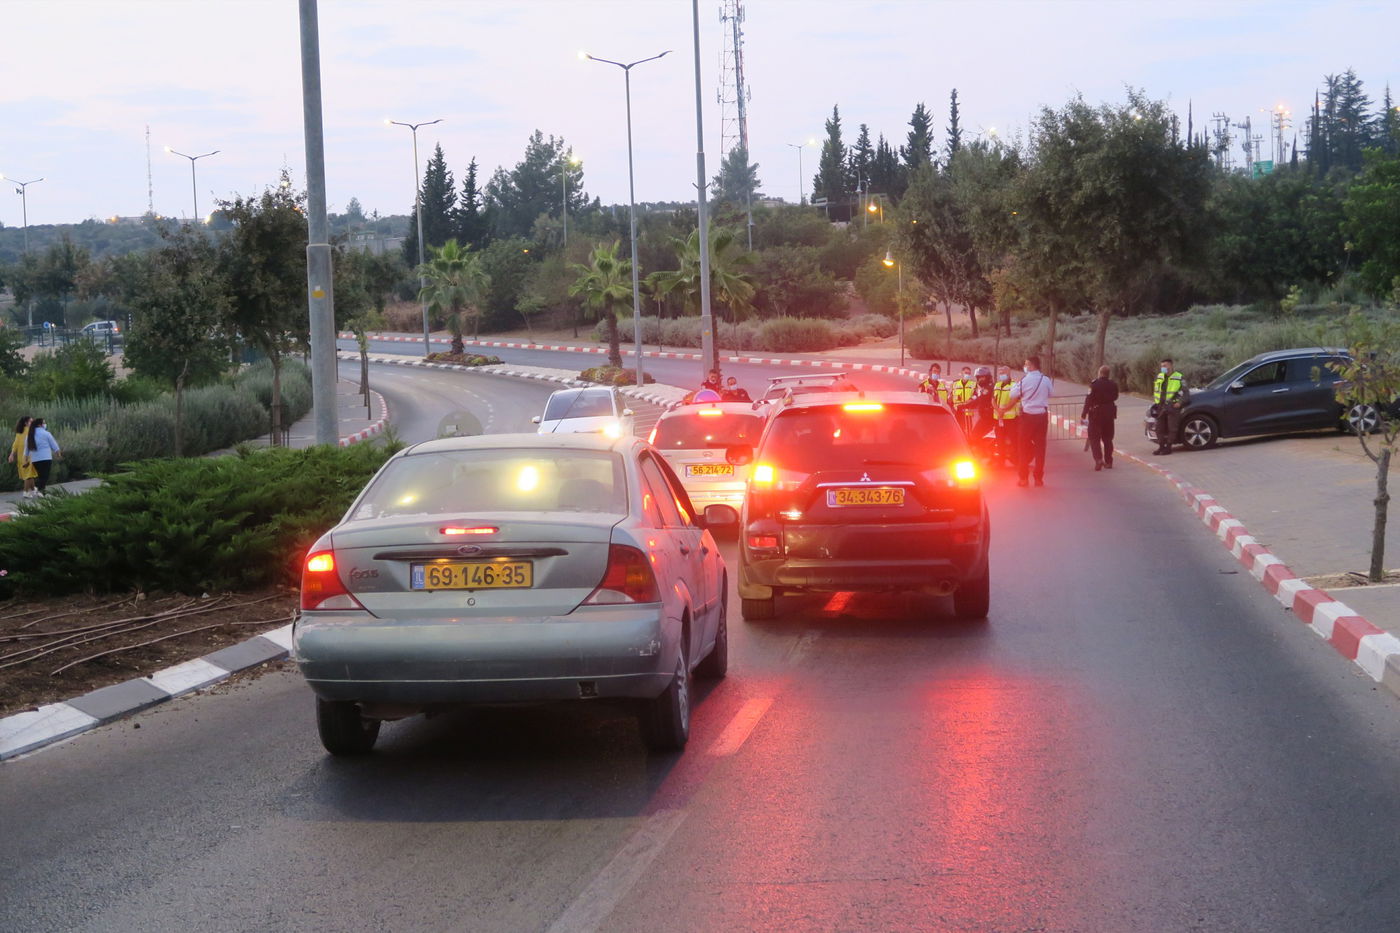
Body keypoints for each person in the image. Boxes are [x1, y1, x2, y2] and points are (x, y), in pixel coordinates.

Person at [1000, 355, 1052, 487]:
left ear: (1032, 365)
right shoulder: (1046, 380)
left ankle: (1023, 479)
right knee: (1041, 449)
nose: (1025, 367)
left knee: (1023, 447)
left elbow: (1012, 394)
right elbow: (1051, 393)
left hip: (1027, 417)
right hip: (1042, 416)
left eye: (1026, 364)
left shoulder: (1025, 380)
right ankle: (1039, 479)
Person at [1081, 365, 1120, 471]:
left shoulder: (1094, 384)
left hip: (1096, 414)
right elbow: (1116, 396)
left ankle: (1098, 459)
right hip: (1109, 414)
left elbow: (1088, 399)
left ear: (1099, 373)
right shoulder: (1113, 384)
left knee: (1094, 438)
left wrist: (1084, 413)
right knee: (1108, 439)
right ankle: (1109, 461)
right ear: (1108, 374)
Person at [955, 367, 997, 457]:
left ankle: (984, 455)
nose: (979, 380)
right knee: (977, 435)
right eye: (978, 378)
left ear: (987, 377)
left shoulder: (988, 388)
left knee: (974, 435)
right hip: (986, 416)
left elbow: (979, 400)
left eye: (982, 377)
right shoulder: (986, 387)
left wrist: (964, 406)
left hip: (988, 418)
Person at [1152, 358, 1188, 456]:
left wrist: (1180, 403)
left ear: (1171, 366)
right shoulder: (1159, 377)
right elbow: (1156, 391)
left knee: (1172, 428)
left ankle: (1168, 447)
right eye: (1161, 366)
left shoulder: (1179, 377)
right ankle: (1161, 447)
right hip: (1160, 406)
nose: (1163, 368)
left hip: (1172, 406)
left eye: (1165, 366)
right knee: (1159, 428)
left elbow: (1186, 393)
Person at [992, 366, 1020, 469]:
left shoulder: (1014, 385)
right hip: (998, 418)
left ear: (1008, 373)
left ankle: (1018, 462)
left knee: (1014, 441)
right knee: (1000, 442)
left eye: (1003, 372)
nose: (1001, 375)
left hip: (1011, 419)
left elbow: (1014, 400)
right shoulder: (997, 385)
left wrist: (1003, 410)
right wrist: (998, 410)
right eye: (1000, 373)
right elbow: (993, 400)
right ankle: (1001, 462)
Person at [26, 417, 61, 497]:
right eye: (44, 423)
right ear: (40, 424)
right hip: (46, 458)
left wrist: (26, 458)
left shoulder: (30, 435)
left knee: (41, 475)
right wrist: (58, 453)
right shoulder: (46, 433)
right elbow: (54, 444)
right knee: (45, 475)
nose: (45, 424)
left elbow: (26, 448)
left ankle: (42, 492)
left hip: (35, 459)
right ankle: (40, 490)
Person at [7, 415, 38, 499]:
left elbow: (15, 444)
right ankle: (26, 492)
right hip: (29, 457)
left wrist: (12, 454)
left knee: (29, 474)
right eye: (31, 421)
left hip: (21, 457)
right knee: (28, 475)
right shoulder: (31, 431)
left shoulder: (19, 432)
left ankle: (34, 489)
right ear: (26, 423)